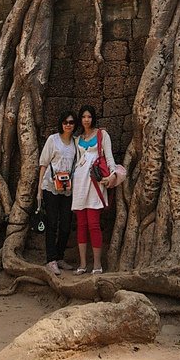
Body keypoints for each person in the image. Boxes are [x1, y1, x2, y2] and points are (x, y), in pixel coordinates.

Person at [72, 105, 116, 275]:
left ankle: (97, 263)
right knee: (81, 224)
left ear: (93, 118)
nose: (86, 120)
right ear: (80, 119)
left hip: (95, 183)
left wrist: (112, 175)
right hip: (79, 183)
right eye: (83, 116)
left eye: (89, 116)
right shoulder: (77, 138)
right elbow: (75, 160)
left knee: (94, 224)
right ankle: (82, 264)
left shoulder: (102, 135)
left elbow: (109, 157)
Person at [37, 110, 78, 275]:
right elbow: (43, 164)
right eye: (65, 122)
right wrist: (39, 188)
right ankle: (51, 259)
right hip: (50, 186)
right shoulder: (52, 140)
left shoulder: (76, 142)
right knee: (52, 223)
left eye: (71, 122)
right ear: (61, 123)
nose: (68, 125)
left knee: (66, 224)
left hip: (67, 188)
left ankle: (60, 256)